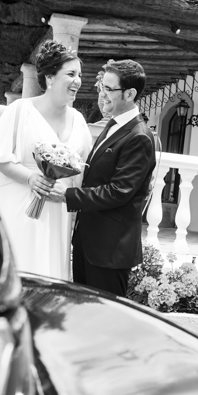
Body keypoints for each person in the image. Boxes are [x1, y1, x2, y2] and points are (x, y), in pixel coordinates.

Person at [0, 40, 92, 279]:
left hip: (56, 211)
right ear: (50, 78)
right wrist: (31, 178)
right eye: (70, 74)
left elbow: (81, 168)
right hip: (20, 204)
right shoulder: (20, 111)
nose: (78, 81)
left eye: (80, 75)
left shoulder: (79, 120)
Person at [49, 58, 156, 297]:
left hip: (110, 250)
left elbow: (119, 191)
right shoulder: (113, 125)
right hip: (89, 243)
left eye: (109, 89)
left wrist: (68, 196)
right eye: (102, 87)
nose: (102, 94)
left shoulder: (139, 137)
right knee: (85, 315)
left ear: (130, 94)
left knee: (105, 325)